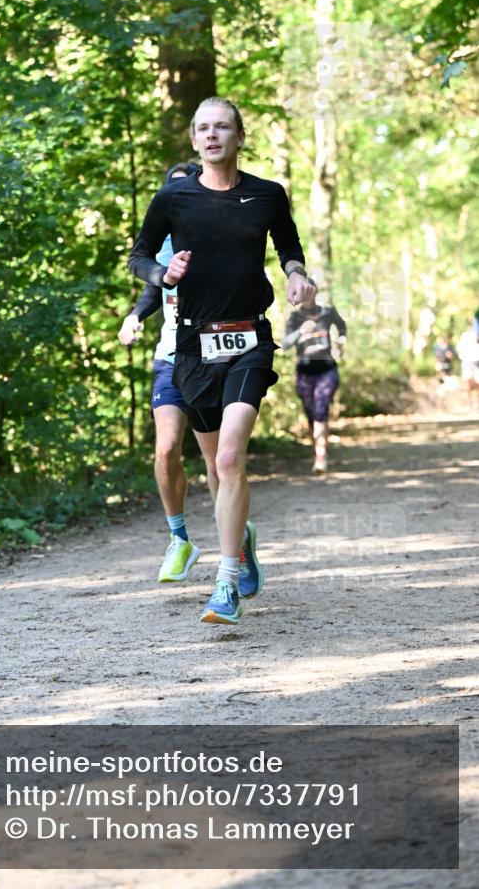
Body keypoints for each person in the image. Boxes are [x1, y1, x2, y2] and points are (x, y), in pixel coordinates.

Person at [128, 96, 315, 625]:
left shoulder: (266, 195)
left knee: (230, 459)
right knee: (214, 466)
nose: (212, 136)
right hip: (191, 347)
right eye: (203, 129)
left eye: (222, 127)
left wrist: (297, 274)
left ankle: (226, 583)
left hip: (249, 340)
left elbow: (288, 246)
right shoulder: (173, 198)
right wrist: (160, 276)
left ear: (239, 135)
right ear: (194, 140)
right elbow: (139, 255)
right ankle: (243, 540)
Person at [119, 162, 221, 584]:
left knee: (220, 463)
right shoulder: (163, 250)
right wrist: (135, 316)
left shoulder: (221, 240)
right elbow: (154, 289)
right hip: (169, 359)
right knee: (165, 450)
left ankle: (236, 543)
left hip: (213, 361)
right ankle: (180, 539)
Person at [282, 292, 347, 474]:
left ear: (314, 293)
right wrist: (300, 331)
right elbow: (285, 344)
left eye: (309, 292)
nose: (307, 297)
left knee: (320, 409)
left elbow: (342, 327)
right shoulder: (295, 317)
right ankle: (317, 452)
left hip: (327, 370)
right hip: (304, 373)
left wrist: (340, 343)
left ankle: (321, 458)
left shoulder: (327, 312)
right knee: (311, 414)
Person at [456, 321, 479, 407]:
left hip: (476, 362)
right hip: (467, 361)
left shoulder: (477, 335)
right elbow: (459, 348)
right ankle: (469, 402)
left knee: (477, 382)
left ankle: (476, 401)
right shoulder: (464, 336)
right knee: (467, 382)